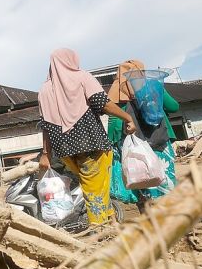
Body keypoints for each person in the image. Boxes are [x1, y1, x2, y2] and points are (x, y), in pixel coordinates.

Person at [37, 48, 137, 226]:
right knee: (94, 187)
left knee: (97, 185)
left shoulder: (44, 90)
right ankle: (98, 228)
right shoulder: (82, 77)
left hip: (65, 150)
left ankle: (111, 221)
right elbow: (103, 103)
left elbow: (44, 125)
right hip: (90, 144)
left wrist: (46, 153)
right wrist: (127, 118)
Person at [106, 60, 180, 212]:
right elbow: (174, 107)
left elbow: (113, 125)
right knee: (164, 180)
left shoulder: (115, 92)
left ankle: (148, 217)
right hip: (159, 140)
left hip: (133, 145)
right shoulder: (153, 86)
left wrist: (115, 144)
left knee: (140, 179)